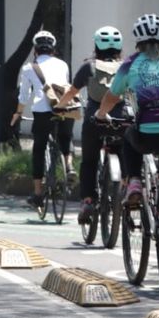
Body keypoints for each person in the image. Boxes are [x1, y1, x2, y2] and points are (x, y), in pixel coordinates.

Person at [94, 14, 159, 222]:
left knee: (129, 135)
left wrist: (101, 114)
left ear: (138, 41)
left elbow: (112, 96)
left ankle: (135, 183)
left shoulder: (131, 64)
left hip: (149, 131)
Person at [56, 26, 128, 227]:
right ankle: (128, 188)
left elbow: (72, 91)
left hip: (95, 120)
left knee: (89, 161)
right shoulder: (127, 67)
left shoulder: (89, 67)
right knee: (125, 153)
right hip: (121, 119)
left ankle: (88, 201)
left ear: (96, 45)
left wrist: (60, 107)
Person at [11, 30, 75, 211]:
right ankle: (69, 165)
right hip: (64, 107)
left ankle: (38, 193)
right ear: (53, 49)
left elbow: (24, 96)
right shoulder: (63, 64)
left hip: (42, 111)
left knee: (39, 148)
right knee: (65, 137)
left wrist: (18, 113)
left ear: (35, 50)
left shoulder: (28, 68)